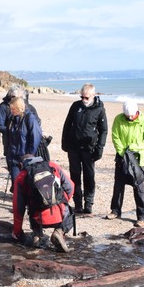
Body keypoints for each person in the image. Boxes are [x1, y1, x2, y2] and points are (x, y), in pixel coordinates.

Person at [11, 154, 75, 253]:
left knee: (31, 204)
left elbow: (18, 208)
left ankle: (37, 236)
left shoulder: (21, 176)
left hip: (38, 217)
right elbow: (70, 187)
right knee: (69, 210)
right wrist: (62, 200)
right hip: (60, 214)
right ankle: (59, 231)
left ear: (21, 164)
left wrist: (17, 232)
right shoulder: (53, 166)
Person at [107, 100, 144, 227]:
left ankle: (141, 217)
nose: (130, 118)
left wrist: (135, 147)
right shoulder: (118, 119)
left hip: (137, 159)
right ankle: (115, 211)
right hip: (122, 157)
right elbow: (115, 136)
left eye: (132, 116)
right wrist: (122, 152)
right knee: (118, 185)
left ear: (137, 112)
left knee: (139, 189)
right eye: (127, 116)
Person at [60, 83, 108, 214]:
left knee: (89, 176)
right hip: (73, 147)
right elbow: (67, 124)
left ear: (93, 96)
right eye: (82, 97)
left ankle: (89, 203)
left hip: (89, 148)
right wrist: (64, 143)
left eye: (86, 98)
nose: (83, 100)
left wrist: (100, 148)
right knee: (75, 176)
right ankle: (78, 204)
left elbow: (103, 131)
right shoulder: (76, 106)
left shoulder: (99, 109)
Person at [0, 84, 42, 179]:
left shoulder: (30, 112)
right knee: (16, 179)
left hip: (25, 152)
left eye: (19, 98)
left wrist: (30, 153)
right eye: (13, 97)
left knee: (26, 180)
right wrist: (11, 131)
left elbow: (36, 133)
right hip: (11, 149)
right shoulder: (5, 108)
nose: (15, 99)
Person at [5, 97, 42, 186]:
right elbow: (8, 138)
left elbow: (36, 136)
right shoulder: (12, 119)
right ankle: (17, 198)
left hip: (26, 156)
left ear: (19, 108)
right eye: (11, 109)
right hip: (13, 157)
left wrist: (29, 154)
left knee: (26, 183)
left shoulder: (30, 118)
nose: (11, 111)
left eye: (13, 109)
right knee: (16, 181)